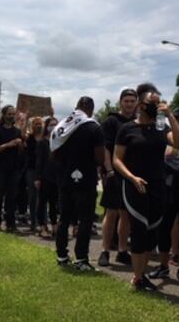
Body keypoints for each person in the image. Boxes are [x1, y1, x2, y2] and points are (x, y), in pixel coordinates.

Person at [112, 84, 179, 290]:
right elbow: (117, 159)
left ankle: (141, 274)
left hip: (158, 185)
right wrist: (132, 177)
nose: (157, 105)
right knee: (139, 230)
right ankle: (138, 277)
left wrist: (169, 115)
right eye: (153, 102)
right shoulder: (127, 129)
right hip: (135, 186)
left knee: (152, 232)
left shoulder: (161, 128)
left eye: (159, 101)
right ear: (141, 105)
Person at [52, 97, 105, 271]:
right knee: (85, 220)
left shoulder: (62, 126)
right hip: (86, 179)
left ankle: (61, 255)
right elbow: (100, 158)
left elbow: (53, 154)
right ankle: (81, 258)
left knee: (64, 218)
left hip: (65, 178)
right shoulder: (93, 127)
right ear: (90, 108)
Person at [151, 111, 179, 283]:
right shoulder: (165, 136)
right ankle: (163, 266)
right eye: (177, 119)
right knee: (164, 227)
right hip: (168, 187)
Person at [98, 88, 137, 267]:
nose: (129, 104)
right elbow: (106, 148)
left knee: (126, 214)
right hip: (114, 173)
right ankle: (105, 250)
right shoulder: (111, 121)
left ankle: (122, 251)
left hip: (132, 175)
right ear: (120, 102)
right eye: (126, 101)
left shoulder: (139, 122)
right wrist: (109, 171)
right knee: (112, 213)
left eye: (132, 101)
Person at [0, 105, 24, 232]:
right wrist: (7, 145)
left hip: (14, 169)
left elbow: (21, 151)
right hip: (0, 169)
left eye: (13, 114)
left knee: (12, 197)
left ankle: (11, 224)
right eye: (9, 114)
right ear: (4, 115)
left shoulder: (17, 131)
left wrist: (20, 145)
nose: (11, 116)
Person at [36, 116, 59, 238]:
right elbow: (39, 161)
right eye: (51, 124)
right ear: (46, 126)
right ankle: (42, 227)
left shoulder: (59, 141)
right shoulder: (42, 143)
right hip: (44, 177)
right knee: (42, 203)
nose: (53, 127)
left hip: (56, 177)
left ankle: (55, 226)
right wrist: (38, 178)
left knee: (54, 203)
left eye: (56, 124)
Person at [23, 117, 44, 232]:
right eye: (36, 124)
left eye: (40, 124)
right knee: (32, 196)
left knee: (43, 197)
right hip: (31, 169)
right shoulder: (29, 138)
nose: (38, 126)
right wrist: (25, 120)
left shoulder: (46, 138)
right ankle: (33, 222)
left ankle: (42, 222)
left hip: (43, 170)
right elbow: (21, 134)